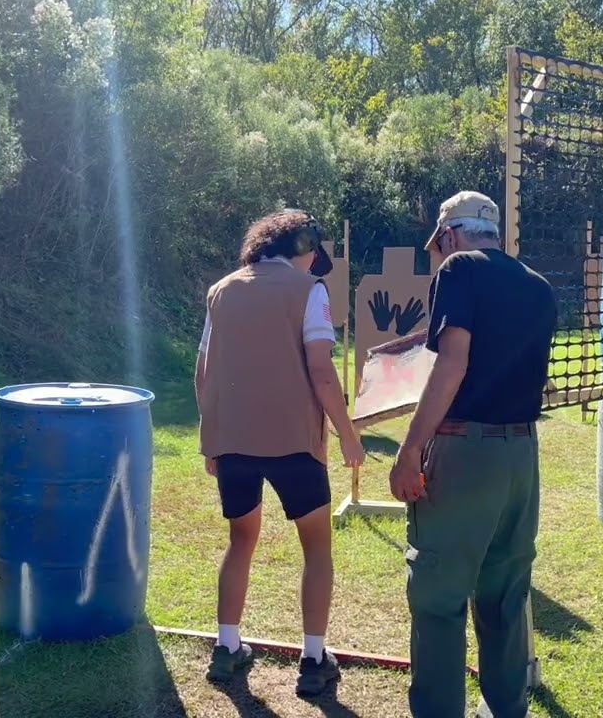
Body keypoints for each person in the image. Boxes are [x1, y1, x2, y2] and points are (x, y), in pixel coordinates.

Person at [388, 191, 557, 717]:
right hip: (522, 458)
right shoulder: (540, 287)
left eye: (437, 247)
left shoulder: (459, 269)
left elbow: (452, 362)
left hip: (465, 452)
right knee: (506, 594)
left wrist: (412, 446)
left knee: (438, 597)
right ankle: (507, 708)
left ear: (450, 236)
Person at [196, 208, 366, 696]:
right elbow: (322, 370)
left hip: (234, 445)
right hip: (294, 445)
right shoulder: (310, 291)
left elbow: (203, 371)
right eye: (314, 252)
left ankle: (227, 648)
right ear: (301, 247)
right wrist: (348, 434)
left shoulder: (221, 291)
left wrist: (213, 439)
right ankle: (314, 660)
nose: (316, 262)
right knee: (316, 548)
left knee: (240, 541)